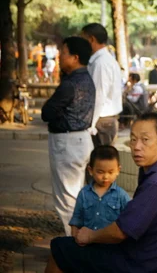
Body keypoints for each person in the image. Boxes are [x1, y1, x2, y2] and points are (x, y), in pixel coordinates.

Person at [46, 113, 157, 273]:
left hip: (143, 263)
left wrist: (90, 236)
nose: (136, 146)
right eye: (133, 139)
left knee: (60, 249)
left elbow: (120, 232)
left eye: (145, 140)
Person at [42, 37, 96, 235]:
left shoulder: (70, 84)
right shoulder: (86, 79)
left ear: (75, 57)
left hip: (67, 143)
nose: (59, 56)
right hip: (81, 140)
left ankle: (73, 246)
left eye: (63, 52)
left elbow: (47, 112)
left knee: (67, 201)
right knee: (76, 196)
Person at [69, 145, 131, 237]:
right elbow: (77, 219)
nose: (105, 177)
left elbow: (129, 220)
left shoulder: (121, 195)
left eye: (110, 172)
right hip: (88, 243)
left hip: (111, 244)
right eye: (100, 172)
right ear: (90, 170)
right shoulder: (84, 193)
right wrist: (75, 237)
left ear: (118, 170)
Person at [81, 23, 123, 147]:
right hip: (103, 120)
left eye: (83, 39)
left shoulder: (101, 63)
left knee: (102, 163)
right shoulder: (103, 60)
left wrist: (91, 125)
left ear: (92, 39)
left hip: (101, 121)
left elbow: (98, 96)